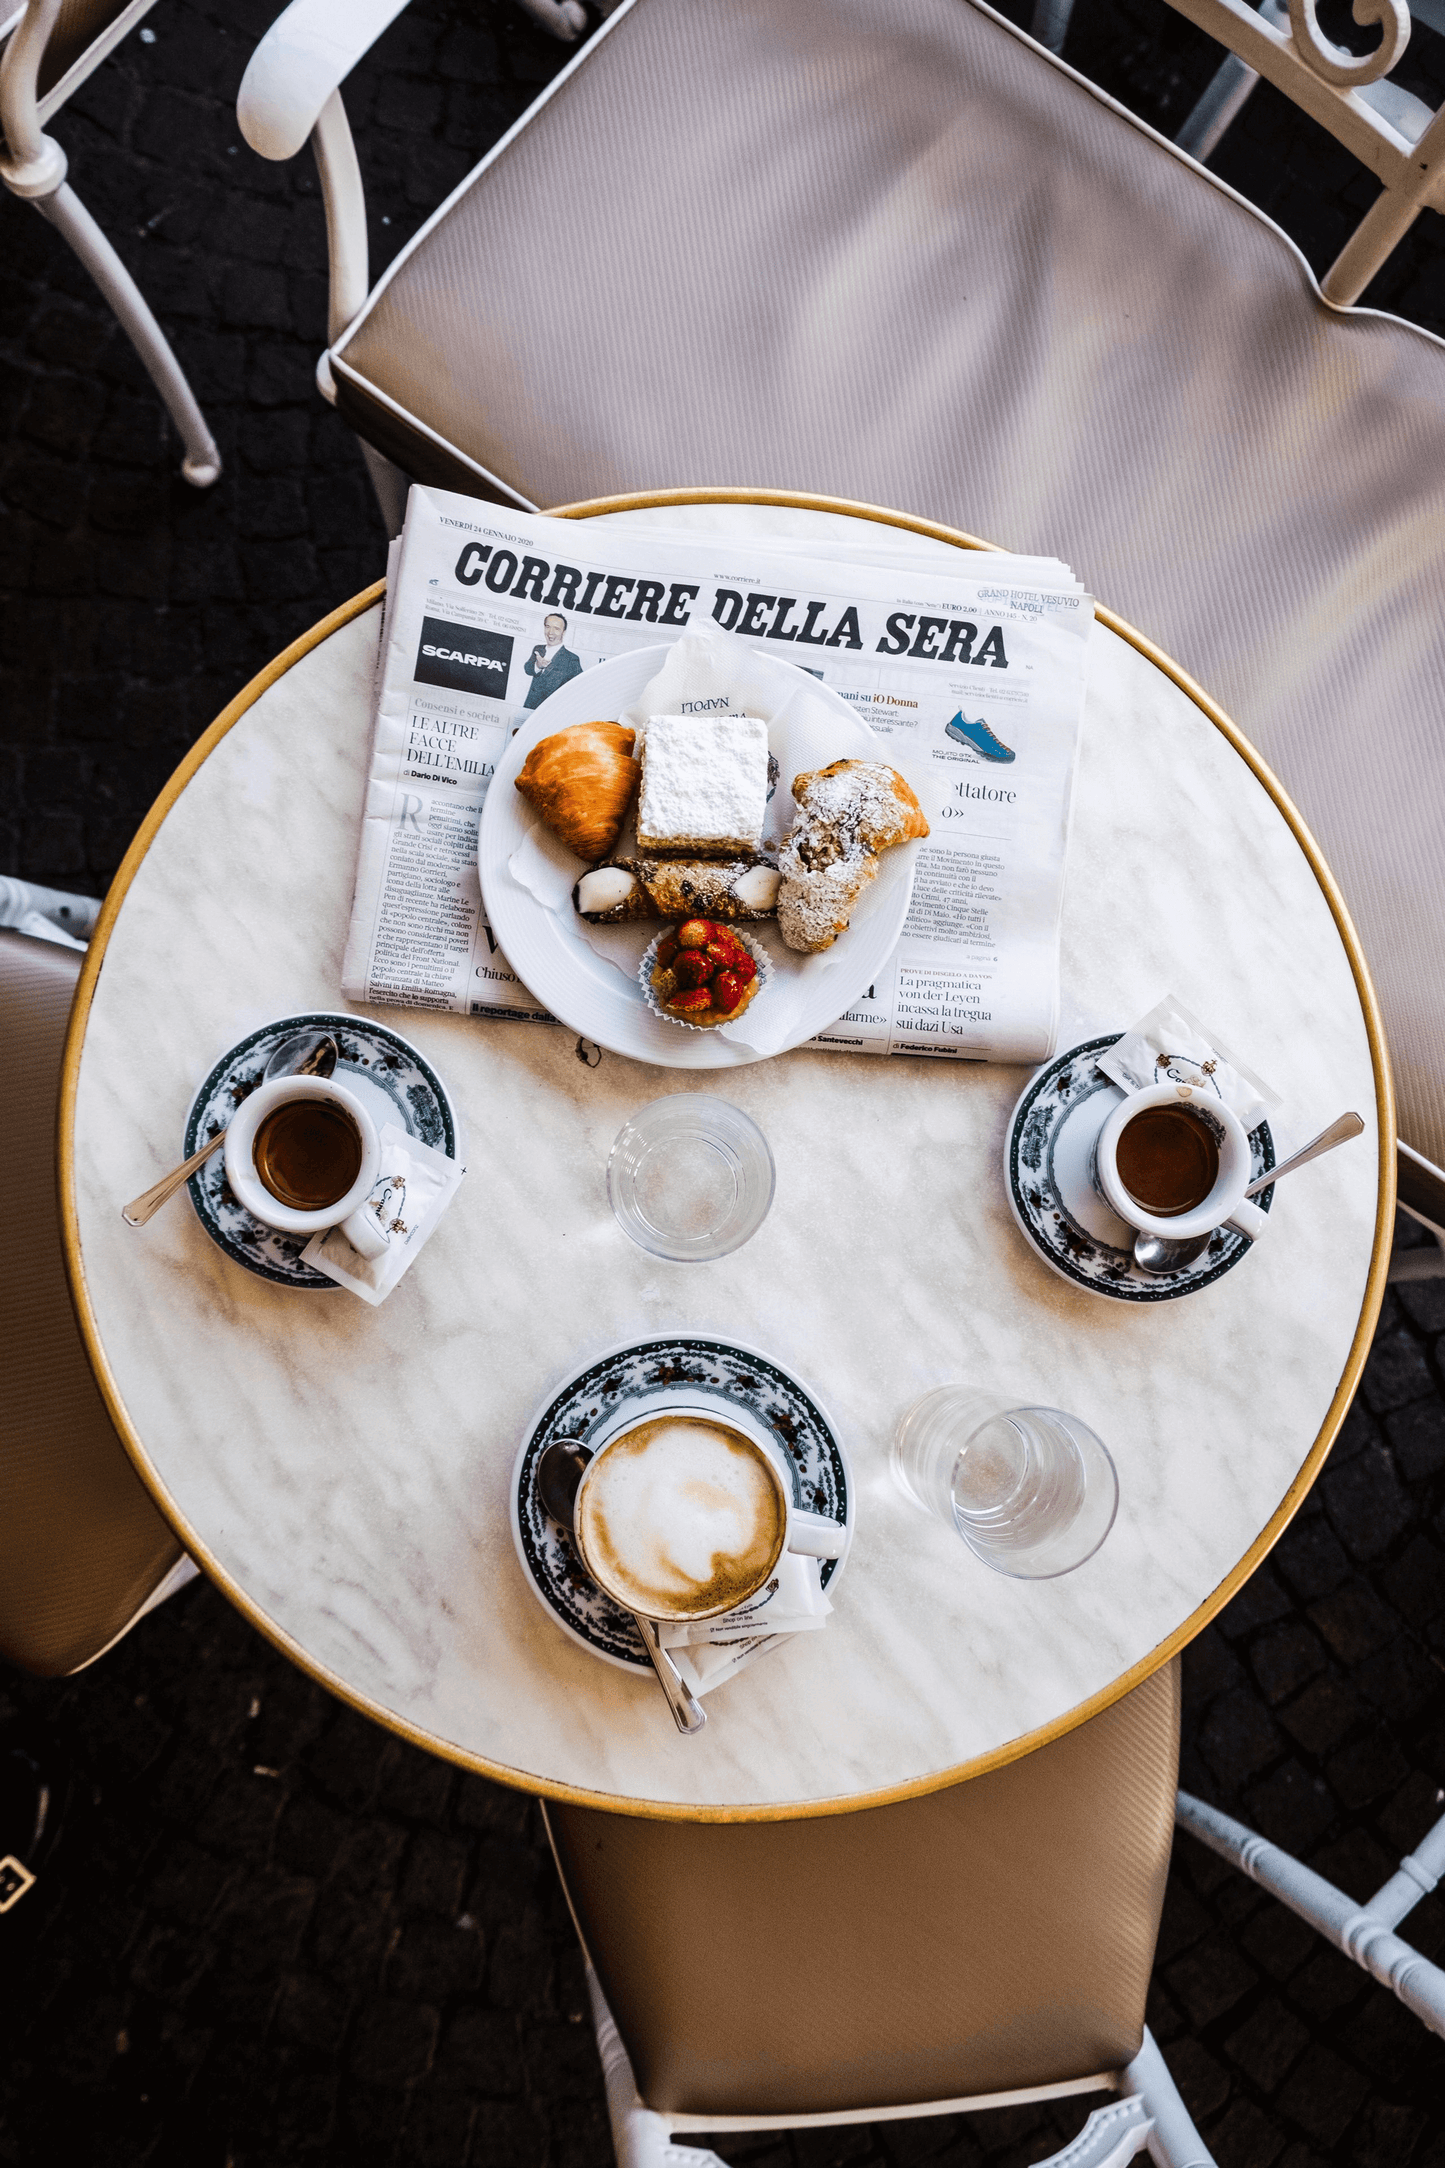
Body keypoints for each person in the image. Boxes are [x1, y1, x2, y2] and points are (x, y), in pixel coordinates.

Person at [523, 613, 584, 709]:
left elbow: (579, 688)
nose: (550, 632)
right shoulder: (538, 649)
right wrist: (538, 666)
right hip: (529, 706)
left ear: (563, 632)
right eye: (547, 627)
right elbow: (527, 669)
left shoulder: (572, 659)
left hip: (551, 712)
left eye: (556, 628)